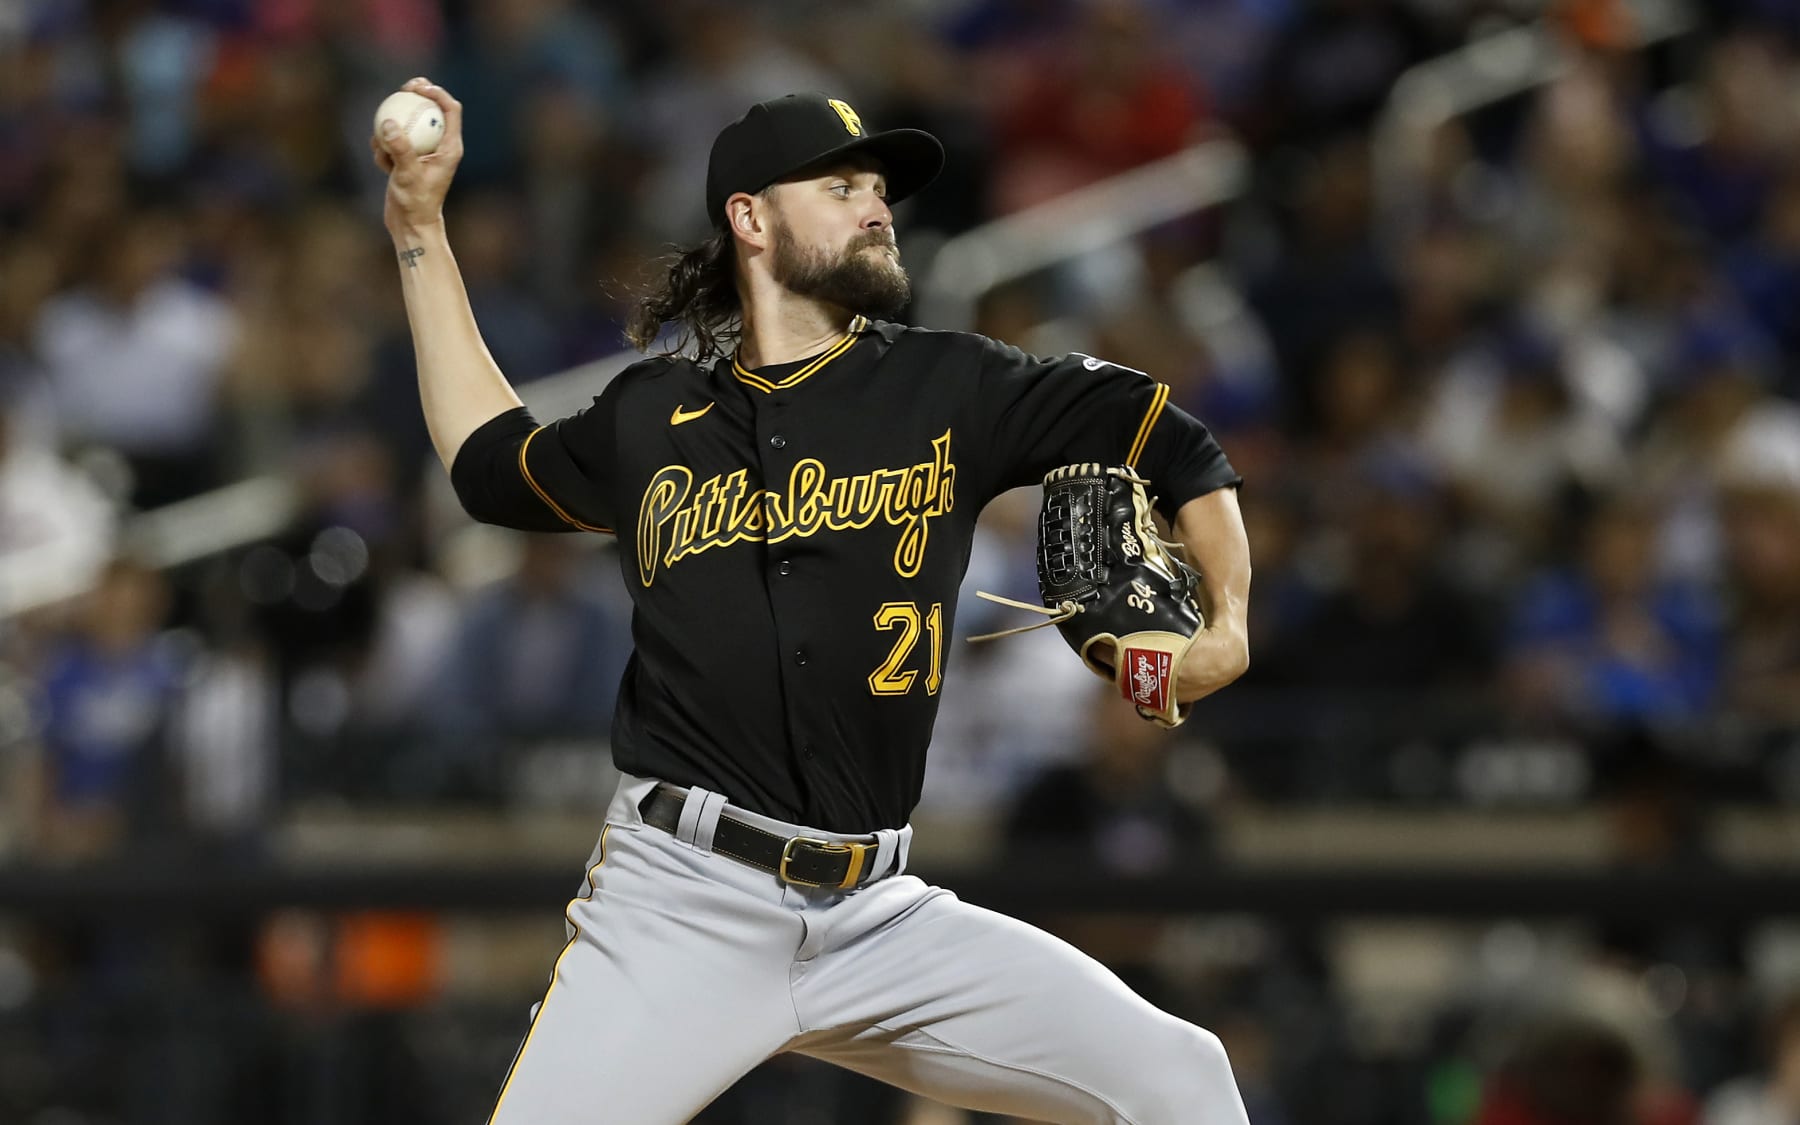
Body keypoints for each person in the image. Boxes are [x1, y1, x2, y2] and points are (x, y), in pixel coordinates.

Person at [372, 78, 1253, 1124]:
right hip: (680, 907)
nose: (877, 207)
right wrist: (419, 228)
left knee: (1182, 1081)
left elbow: (1175, 442)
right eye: (842, 186)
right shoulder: (655, 415)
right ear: (750, 219)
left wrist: (1228, 624)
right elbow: (488, 464)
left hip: (879, 916)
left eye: (879, 188)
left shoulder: (951, 387)